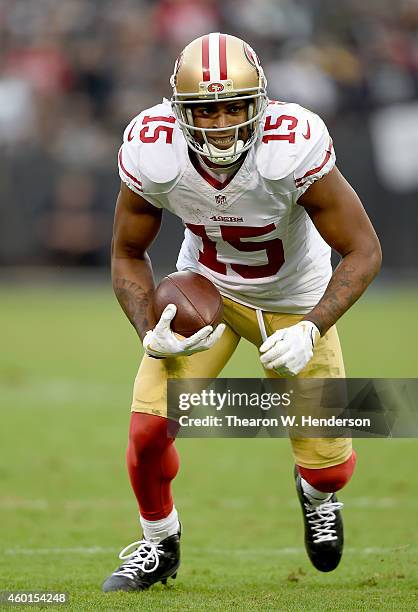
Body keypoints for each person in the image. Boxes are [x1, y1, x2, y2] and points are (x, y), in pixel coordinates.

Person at [103, 33, 381, 592]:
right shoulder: (152, 148)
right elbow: (127, 253)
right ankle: (159, 543)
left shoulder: (292, 143)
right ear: (178, 112)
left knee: (330, 468)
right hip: (207, 297)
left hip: (297, 301)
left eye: (235, 106)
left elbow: (364, 249)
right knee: (147, 431)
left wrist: (312, 326)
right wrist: (148, 332)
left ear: (261, 103)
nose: (222, 123)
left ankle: (316, 497)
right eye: (205, 110)